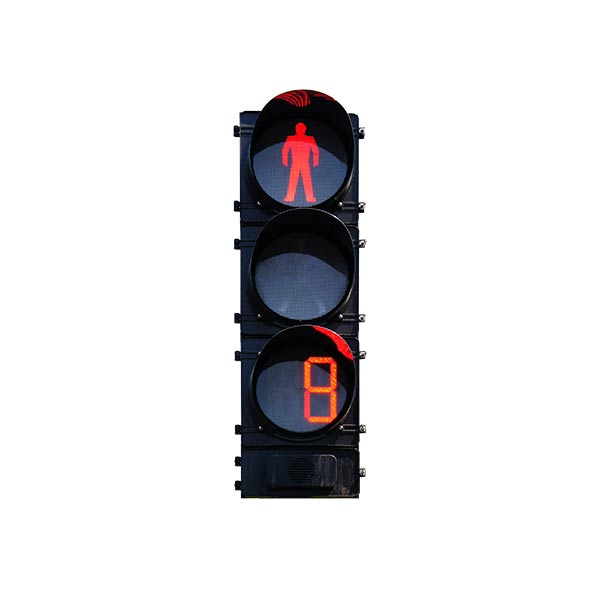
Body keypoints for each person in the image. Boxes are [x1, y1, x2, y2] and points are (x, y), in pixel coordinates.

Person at [281, 122, 319, 203]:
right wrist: (285, 161)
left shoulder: (310, 139)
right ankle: (290, 197)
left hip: (305, 163)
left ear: (304, 130)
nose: (300, 130)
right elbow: (285, 150)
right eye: (299, 129)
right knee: (293, 180)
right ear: (296, 129)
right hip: (295, 163)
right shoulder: (291, 138)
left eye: (302, 129)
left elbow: (315, 150)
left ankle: (309, 197)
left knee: (307, 180)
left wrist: (315, 162)